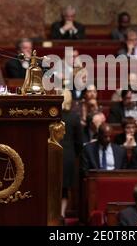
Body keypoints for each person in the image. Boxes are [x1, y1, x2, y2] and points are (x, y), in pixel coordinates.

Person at [60, 90, 83, 218]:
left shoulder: (53, 116)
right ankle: (62, 214)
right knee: (64, 187)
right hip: (68, 154)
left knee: (52, 185)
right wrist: (76, 154)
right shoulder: (74, 117)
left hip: (53, 152)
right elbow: (79, 141)